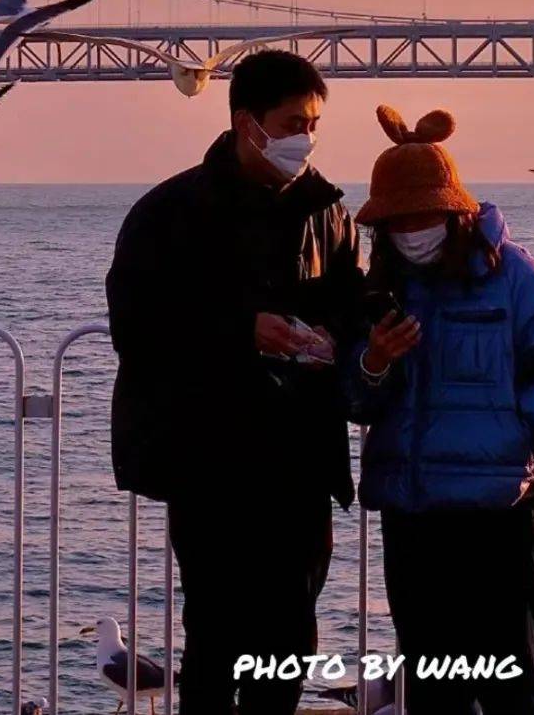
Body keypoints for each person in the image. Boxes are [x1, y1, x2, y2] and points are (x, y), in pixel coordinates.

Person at [105, 50, 365, 715]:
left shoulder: (327, 210)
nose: (305, 136)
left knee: (289, 641)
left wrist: (339, 334)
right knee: (217, 636)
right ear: (248, 123)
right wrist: (242, 329)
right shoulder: (168, 213)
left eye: (313, 121)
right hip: (209, 457)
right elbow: (137, 326)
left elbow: (350, 300)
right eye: (292, 121)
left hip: (300, 458)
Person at [347, 105, 534, 715]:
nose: (414, 228)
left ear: (454, 208)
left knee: (510, 687)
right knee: (433, 691)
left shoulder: (512, 273)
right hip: (414, 514)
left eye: (425, 213)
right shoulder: (379, 286)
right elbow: (355, 400)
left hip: (501, 515)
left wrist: (516, 433)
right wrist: (374, 362)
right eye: (399, 219)